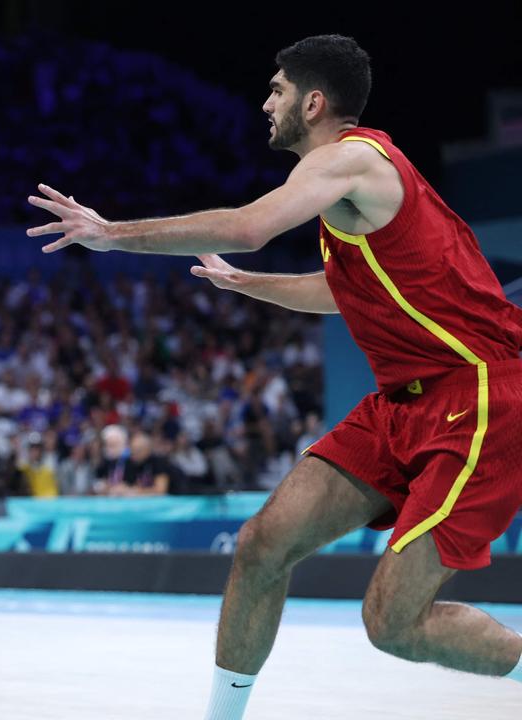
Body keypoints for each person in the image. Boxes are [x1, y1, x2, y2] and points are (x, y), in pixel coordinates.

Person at [27, 34, 522, 720]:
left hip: (478, 396)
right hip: (401, 405)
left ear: (313, 102)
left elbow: (249, 224)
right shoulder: (345, 194)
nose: (266, 103)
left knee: (392, 623)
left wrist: (111, 233)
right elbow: (341, 291)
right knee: (262, 543)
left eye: (277, 90)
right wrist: (244, 285)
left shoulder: (350, 161)